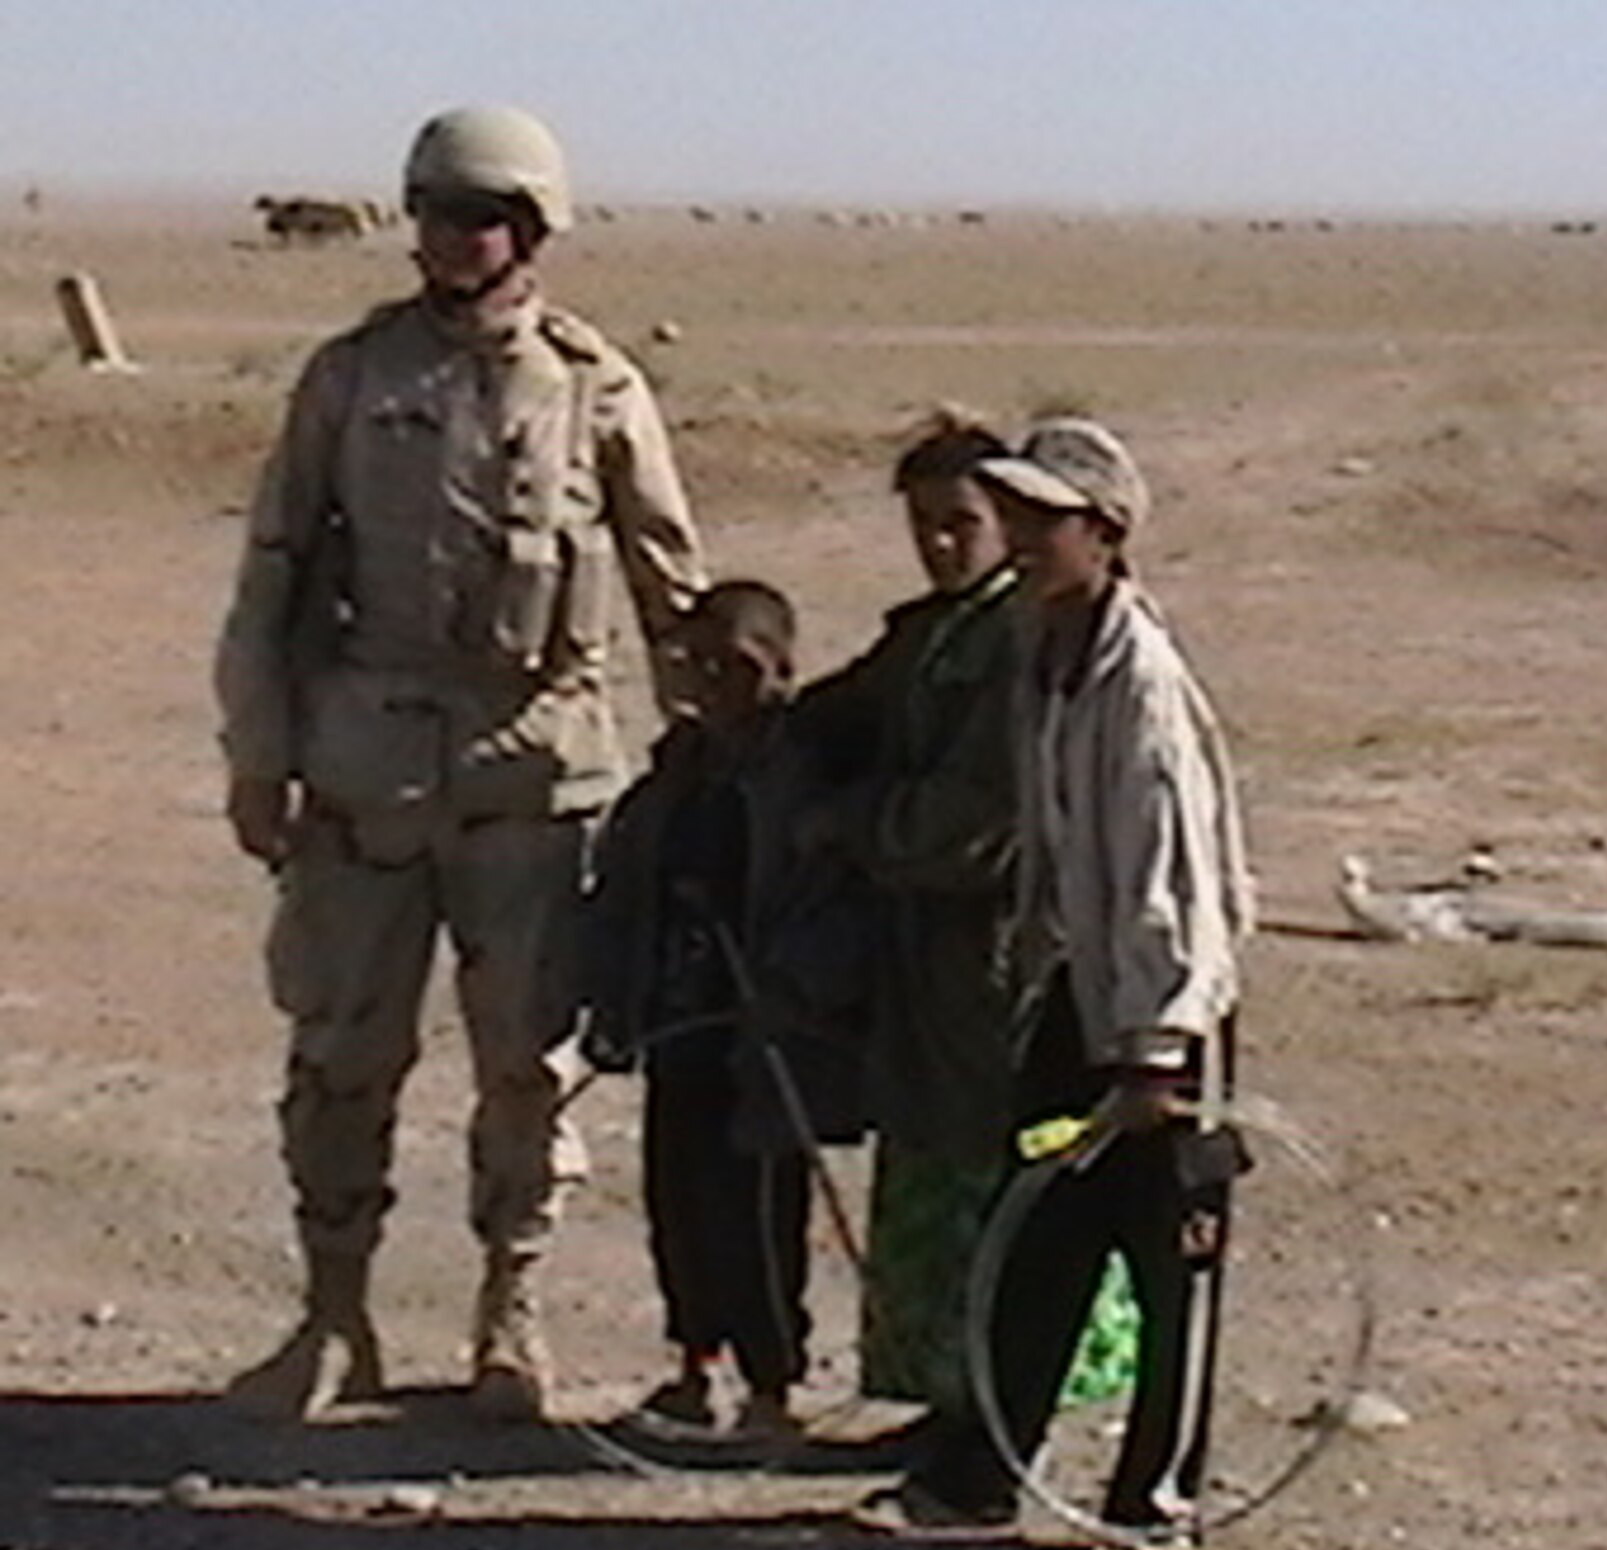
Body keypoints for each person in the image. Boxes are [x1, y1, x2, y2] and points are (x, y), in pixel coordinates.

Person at [214, 106, 707, 1421]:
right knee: (340, 1052)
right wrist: (259, 755)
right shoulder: (351, 377)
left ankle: (512, 1317)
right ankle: (331, 1319)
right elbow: (272, 574)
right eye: (436, 212)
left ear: (532, 232)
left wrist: (718, 763)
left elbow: (671, 585)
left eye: (482, 216)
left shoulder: (598, 387)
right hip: (366, 777)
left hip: (535, 782)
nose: (454, 238)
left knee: (528, 1066)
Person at [883, 416, 1255, 1550]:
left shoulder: (1136, 681)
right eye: (1021, 515)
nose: (1027, 536)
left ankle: (1158, 1501)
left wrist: (1154, 1046)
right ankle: (979, 1473)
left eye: (1049, 519)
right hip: (1073, 993)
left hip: (1157, 1013)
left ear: (1105, 531)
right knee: (1036, 1226)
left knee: (1166, 1265)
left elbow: (1170, 873)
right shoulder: (1046, 654)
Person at [583, 583, 869, 1436]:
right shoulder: (676, 772)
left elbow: (830, 900)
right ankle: (692, 1364)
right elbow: (625, 888)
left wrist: (799, 987)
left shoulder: (798, 779)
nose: (713, 682)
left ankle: (771, 1383)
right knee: (678, 1196)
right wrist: (611, 998)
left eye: (734, 666)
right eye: (696, 664)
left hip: (762, 1029)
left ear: (780, 668)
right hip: (679, 1021)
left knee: (759, 1208)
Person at [790, 414, 1021, 1420]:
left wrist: (850, 825)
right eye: (922, 522)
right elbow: (833, 715)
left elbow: (977, 816)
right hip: (921, 959)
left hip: (995, 952)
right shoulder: (930, 634)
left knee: (990, 1177)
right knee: (924, 1164)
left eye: (959, 521)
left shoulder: (1021, 641)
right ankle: (935, 1399)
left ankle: (994, 1412)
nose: (938, 543)